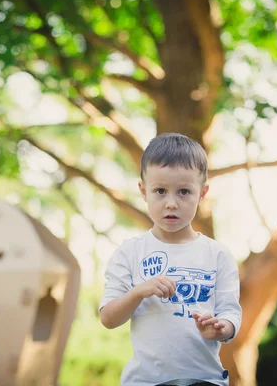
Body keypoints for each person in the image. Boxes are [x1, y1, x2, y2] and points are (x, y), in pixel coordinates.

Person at [99, 133, 242, 386]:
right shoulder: (130, 252)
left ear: (202, 193)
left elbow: (231, 312)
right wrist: (138, 292)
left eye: (184, 191)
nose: (171, 203)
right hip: (144, 382)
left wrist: (222, 327)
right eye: (160, 191)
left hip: (204, 380)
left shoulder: (218, 255)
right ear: (143, 191)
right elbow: (108, 318)